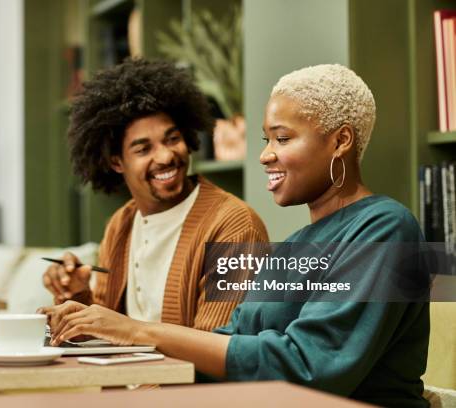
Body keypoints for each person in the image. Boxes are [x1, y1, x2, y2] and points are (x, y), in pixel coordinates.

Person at [42, 64, 430, 408]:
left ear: (341, 141)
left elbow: (309, 365)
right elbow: (232, 339)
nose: (264, 156)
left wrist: (138, 332)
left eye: (282, 138)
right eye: (266, 140)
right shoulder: (295, 244)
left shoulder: (386, 229)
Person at [41, 58, 268, 331]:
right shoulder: (120, 225)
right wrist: (77, 294)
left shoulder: (234, 226)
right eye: (143, 149)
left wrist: (128, 332)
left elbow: (218, 345)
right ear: (116, 162)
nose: (165, 156)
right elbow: (104, 331)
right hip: (126, 373)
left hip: (183, 375)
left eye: (172, 139)